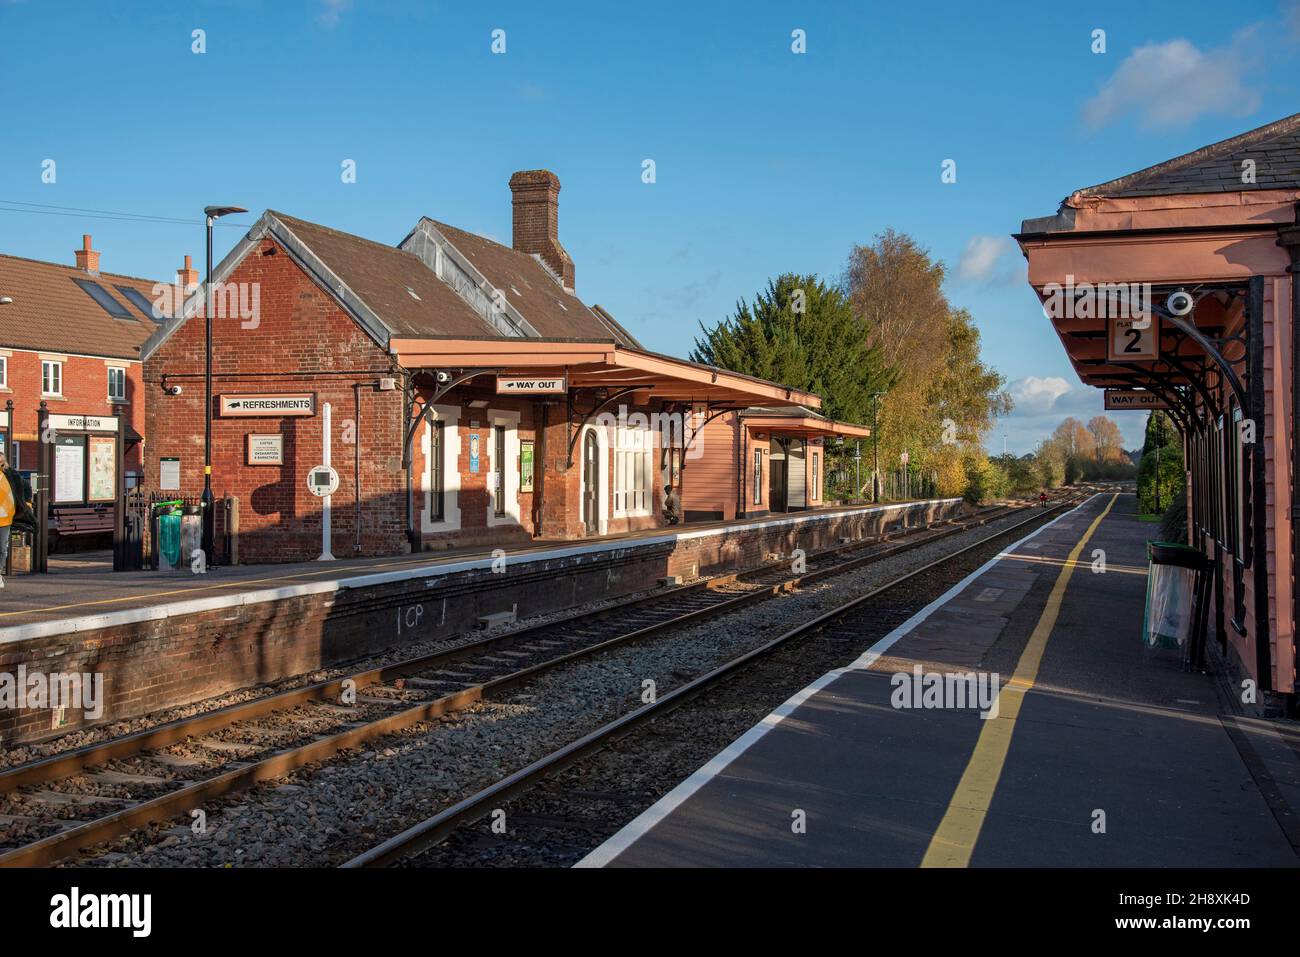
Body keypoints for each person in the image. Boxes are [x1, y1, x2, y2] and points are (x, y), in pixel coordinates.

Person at [0, 452, 33, 587]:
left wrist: (28, 503)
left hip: (5, 518)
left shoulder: (11, 475)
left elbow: (26, 487)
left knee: (2, 548)